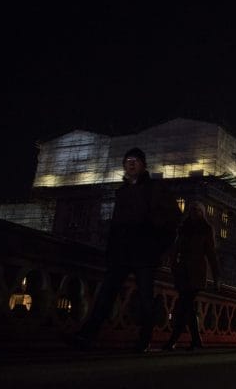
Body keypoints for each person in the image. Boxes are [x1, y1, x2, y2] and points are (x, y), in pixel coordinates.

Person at [67, 147, 181, 352]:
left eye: (135, 160)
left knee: (146, 298)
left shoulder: (155, 188)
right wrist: (111, 250)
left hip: (144, 254)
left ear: (143, 165)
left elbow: (173, 219)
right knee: (106, 294)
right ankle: (87, 335)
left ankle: (144, 340)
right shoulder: (122, 192)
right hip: (121, 253)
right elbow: (116, 224)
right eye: (127, 160)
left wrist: (158, 247)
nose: (131, 163)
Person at [162, 202, 220, 351]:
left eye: (199, 210)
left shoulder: (206, 230)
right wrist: (173, 265)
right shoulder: (183, 229)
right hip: (182, 272)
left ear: (203, 213)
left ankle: (173, 340)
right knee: (187, 307)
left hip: (196, 273)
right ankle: (196, 341)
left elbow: (211, 254)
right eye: (193, 210)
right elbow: (175, 249)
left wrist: (216, 278)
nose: (196, 213)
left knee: (184, 305)